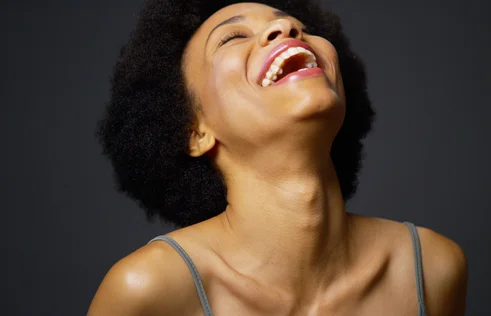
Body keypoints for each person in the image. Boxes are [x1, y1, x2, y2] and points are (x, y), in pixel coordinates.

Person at [88, 0, 468, 315]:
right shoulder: (147, 291)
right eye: (233, 37)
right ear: (195, 131)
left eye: (295, 25)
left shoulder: (433, 269)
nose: (286, 30)